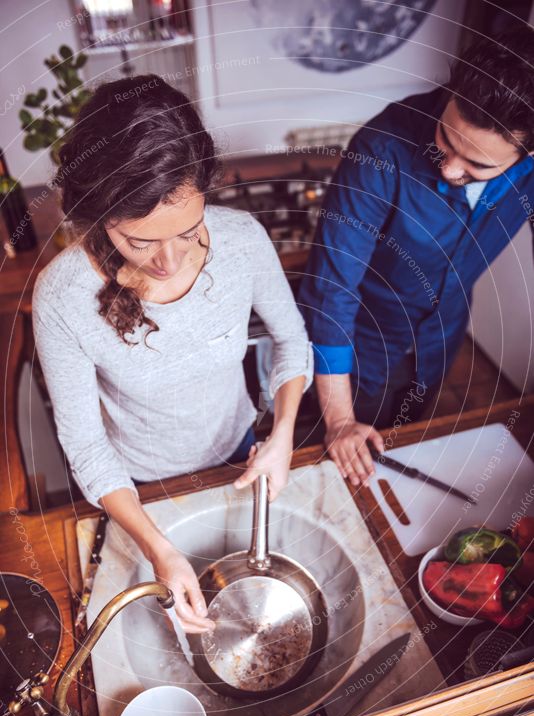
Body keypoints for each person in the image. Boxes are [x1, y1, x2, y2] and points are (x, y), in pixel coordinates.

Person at [33, 74, 312, 633]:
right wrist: (157, 546)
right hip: (140, 488)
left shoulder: (242, 240)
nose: (169, 260)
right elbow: (86, 446)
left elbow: (291, 340)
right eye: (140, 240)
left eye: (189, 229)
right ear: (98, 217)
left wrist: (282, 435)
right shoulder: (61, 297)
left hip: (239, 456)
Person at [299, 25, 534, 488]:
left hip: (441, 337)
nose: (449, 168)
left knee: (406, 448)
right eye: (447, 138)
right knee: (342, 464)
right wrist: (341, 419)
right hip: (361, 342)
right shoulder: (382, 147)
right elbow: (332, 288)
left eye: (477, 166)